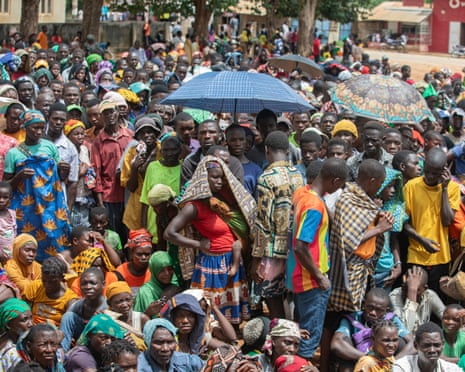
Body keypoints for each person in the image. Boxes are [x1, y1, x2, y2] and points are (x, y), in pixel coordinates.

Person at [165, 156, 255, 324]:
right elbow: (169, 233)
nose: (220, 181)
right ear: (203, 179)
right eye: (214, 177)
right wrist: (198, 244)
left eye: (222, 177)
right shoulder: (194, 206)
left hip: (232, 260)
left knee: (232, 316)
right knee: (210, 314)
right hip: (212, 265)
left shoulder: (225, 199)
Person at [287, 158, 348, 360]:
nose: (341, 188)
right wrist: (320, 277)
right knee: (309, 338)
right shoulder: (314, 205)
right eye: (341, 184)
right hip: (311, 280)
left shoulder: (302, 193)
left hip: (298, 276)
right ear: (335, 180)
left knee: (299, 333)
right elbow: (300, 245)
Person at [4, 110, 71, 262]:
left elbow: (59, 178)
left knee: (54, 240)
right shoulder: (13, 153)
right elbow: (5, 186)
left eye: (42, 128)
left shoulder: (49, 147)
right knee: (27, 243)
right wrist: (19, 176)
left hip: (50, 205)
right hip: (26, 208)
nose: (39, 131)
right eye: (35, 128)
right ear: (25, 128)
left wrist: (64, 171)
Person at [252, 131, 304, 319]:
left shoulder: (267, 177)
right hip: (293, 246)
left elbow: (263, 220)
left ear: (267, 151)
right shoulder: (297, 175)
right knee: (287, 296)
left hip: (272, 249)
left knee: (272, 298)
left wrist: (256, 258)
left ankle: (279, 337)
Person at [403, 148, 460, 296]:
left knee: (436, 302)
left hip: (441, 257)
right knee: (414, 297)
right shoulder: (411, 186)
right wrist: (421, 240)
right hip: (416, 255)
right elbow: (404, 222)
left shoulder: (452, 188)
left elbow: (447, 220)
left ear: (444, 171)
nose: (429, 176)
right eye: (427, 171)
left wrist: (445, 189)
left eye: (435, 173)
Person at [330, 288, 414, 371]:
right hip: (358, 359)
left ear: (386, 310)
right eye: (370, 307)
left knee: (400, 340)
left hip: (387, 360)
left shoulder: (391, 319)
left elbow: (413, 344)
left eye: (379, 310)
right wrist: (368, 358)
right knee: (344, 341)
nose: (373, 313)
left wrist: (393, 363)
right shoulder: (352, 319)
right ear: (363, 304)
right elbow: (336, 344)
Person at [59, 268, 107, 351]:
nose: (88, 287)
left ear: (103, 284)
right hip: (81, 341)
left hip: (101, 345)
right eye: (84, 283)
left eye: (93, 283)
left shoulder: (108, 307)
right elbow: (65, 326)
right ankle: (61, 356)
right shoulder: (77, 305)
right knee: (68, 317)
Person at [23, 257, 77, 326]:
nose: (47, 285)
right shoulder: (35, 287)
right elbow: (25, 312)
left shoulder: (70, 299)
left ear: (62, 278)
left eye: (52, 282)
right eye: (44, 281)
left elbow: (67, 326)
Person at [389, 266, 445, 333]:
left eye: (416, 290)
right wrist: (412, 292)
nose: (407, 293)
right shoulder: (394, 296)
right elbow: (407, 328)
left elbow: (445, 316)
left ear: (425, 289)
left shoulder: (429, 295)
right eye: (405, 288)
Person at [137, 318, 204, 371]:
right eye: (158, 343)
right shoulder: (137, 366)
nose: (165, 348)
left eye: (170, 342)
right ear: (148, 342)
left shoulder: (186, 361)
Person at [393, 322, 462, 371]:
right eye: (426, 345)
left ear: (442, 345)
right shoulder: (402, 367)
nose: (432, 350)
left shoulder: (452, 369)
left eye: (436, 345)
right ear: (416, 345)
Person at [133, 251, 180, 315]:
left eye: (169, 269)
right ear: (154, 271)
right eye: (162, 270)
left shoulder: (174, 287)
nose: (167, 273)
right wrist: (164, 300)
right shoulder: (146, 291)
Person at [0, 298, 33, 371]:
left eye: (31, 318)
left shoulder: (4, 338)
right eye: (24, 320)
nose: (31, 324)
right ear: (9, 325)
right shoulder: (14, 353)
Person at [116, 229, 152, 296]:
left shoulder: (154, 271)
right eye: (139, 254)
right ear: (131, 254)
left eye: (147, 254)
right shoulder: (120, 273)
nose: (143, 257)